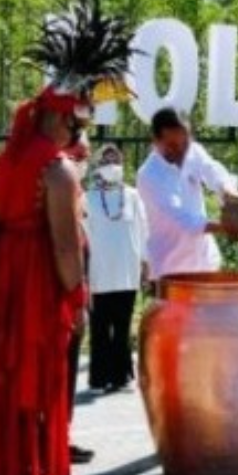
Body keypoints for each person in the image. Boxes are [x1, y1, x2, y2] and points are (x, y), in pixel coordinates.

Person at [0, 0, 127, 475]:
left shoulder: (5, 161)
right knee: (29, 382)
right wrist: (77, 297)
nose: (82, 133)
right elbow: (66, 246)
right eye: (80, 122)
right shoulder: (58, 170)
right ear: (66, 119)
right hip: (31, 285)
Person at [137, 107, 238, 279]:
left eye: (185, 144)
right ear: (155, 141)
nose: (181, 152)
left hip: (205, 263)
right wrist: (224, 227)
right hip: (169, 269)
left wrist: (230, 193)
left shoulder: (193, 151)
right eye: (172, 146)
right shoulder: (149, 175)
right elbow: (181, 219)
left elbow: (212, 170)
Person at [85, 143, 149, 394]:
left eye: (115, 160)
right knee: (99, 326)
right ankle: (99, 378)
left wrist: (146, 265)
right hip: (99, 273)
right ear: (98, 167)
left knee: (122, 326)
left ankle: (122, 376)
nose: (111, 165)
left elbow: (144, 232)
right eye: (106, 160)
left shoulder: (132, 196)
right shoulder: (87, 197)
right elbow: (83, 234)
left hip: (127, 272)